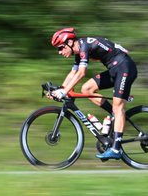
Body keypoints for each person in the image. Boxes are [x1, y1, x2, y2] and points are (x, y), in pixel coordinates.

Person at [49, 27, 138, 161]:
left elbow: (81, 73)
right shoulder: (79, 52)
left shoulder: (84, 46)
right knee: (86, 89)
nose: (60, 52)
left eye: (61, 48)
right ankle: (114, 115)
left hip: (125, 68)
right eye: (58, 49)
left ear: (70, 42)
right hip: (115, 69)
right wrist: (61, 89)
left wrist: (64, 91)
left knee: (118, 106)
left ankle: (116, 149)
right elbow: (73, 73)